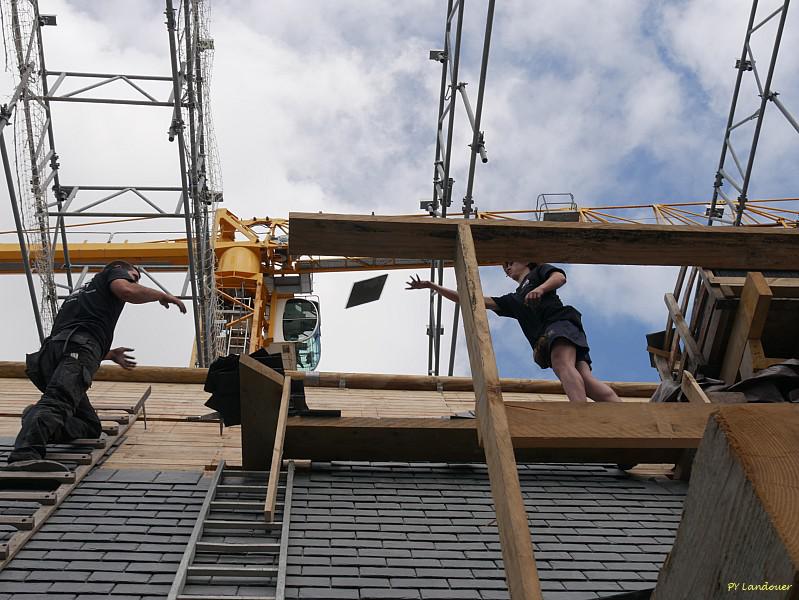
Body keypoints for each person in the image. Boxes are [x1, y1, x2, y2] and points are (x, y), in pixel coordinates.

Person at [4, 260, 187, 471]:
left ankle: (34, 419)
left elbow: (71, 336)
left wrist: (107, 354)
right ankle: (25, 454)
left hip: (53, 354)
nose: (135, 281)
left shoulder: (82, 294)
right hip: (77, 350)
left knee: (89, 425)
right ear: (121, 270)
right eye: (134, 276)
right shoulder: (113, 275)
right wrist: (162, 296)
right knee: (59, 401)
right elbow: (125, 290)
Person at [406, 261, 620, 403]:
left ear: (526, 261)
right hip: (557, 332)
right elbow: (471, 300)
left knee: (561, 364)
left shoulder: (538, 273)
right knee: (585, 378)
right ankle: (618, 408)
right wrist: (433, 286)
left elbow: (559, 278)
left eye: (510, 262)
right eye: (504, 267)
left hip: (560, 324)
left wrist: (540, 289)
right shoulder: (514, 300)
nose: (507, 267)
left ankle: (580, 415)